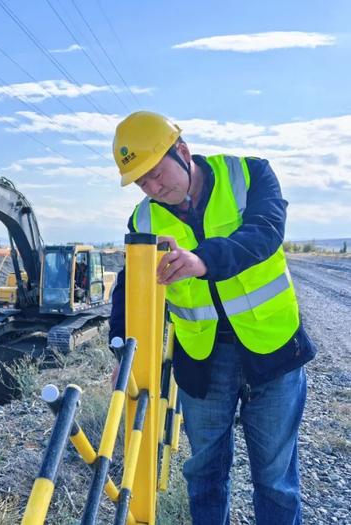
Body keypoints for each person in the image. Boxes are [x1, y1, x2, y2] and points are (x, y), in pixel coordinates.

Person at [108, 111, 316, 525]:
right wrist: (120, 350)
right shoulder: (144, 219)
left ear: (182, 151)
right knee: (204, 474)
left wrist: (202, 259)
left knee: (275, 481)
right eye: (141, 182)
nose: (152, 187)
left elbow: (265, 231)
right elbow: (128, 290)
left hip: (272, 350)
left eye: (155, 172)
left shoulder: (250, 175)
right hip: (202, 361)